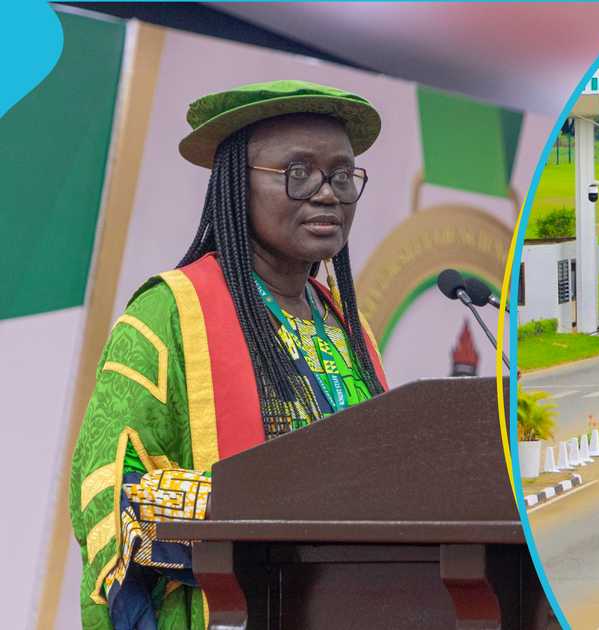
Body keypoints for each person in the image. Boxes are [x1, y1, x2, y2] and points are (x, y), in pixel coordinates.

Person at [68, 80, 390, 629]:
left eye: (341, 174)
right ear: (236, 187)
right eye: (297, 172)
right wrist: (259, 513)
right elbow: (111, 496)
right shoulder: (170, 314)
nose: (327, 193)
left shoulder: (348, 325)